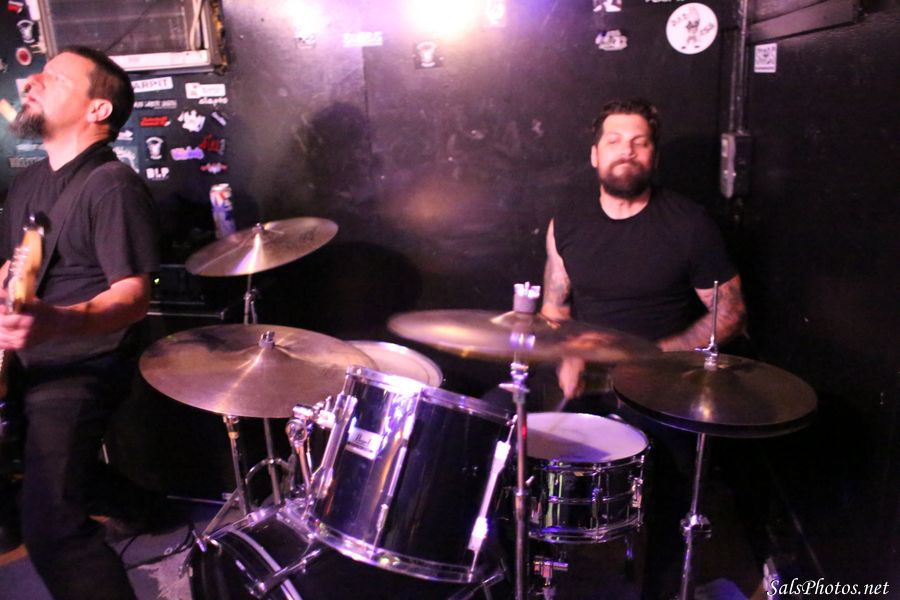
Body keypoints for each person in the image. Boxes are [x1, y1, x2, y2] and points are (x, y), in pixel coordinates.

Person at [540, 98, 746, 598]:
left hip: (663, 386)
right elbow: (554, 307)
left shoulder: (689, 224)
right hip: (590, 382)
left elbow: (730, 313)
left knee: (669, 497)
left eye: (640, 142)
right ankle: (549, 578)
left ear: (654, 154)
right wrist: (567, 353)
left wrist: (653, 358)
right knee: (515, 454)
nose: (626, 151)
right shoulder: (566, 222)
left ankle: (659, 588)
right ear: (595, 154)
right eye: (614, 140)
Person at [0, 46, 159, 599]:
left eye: (54, 78)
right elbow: (14, 267)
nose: (31, 82)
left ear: (97, 110)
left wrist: (55, 323)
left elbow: (133, 298)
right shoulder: (30, 182)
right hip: (28, 358)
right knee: (58, 474)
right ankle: (145, 510)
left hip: (82, 362)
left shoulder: (112, 185)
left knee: (52, 529)